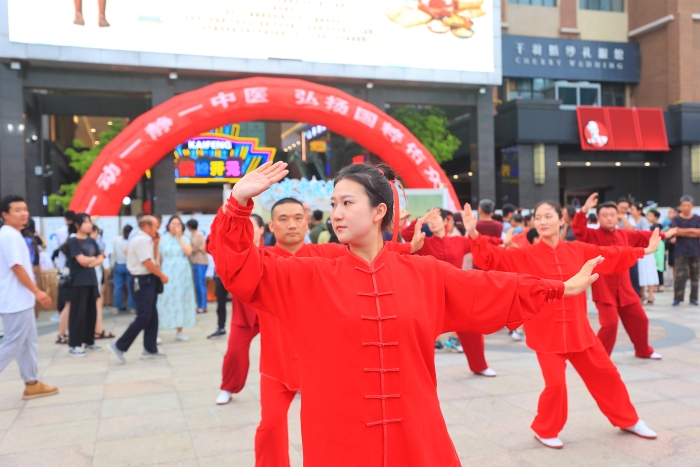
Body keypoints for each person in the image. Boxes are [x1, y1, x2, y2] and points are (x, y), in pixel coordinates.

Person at [210, 161, 599, 467]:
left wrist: (558, 287)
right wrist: (238, 204)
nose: (336, 214)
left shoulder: (424, 274)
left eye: (347, 203)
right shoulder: (308, 273)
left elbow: (488, 288)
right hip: (340, 433)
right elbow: (241, 268)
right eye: (332, 205)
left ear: (379, 210)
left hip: (414, 425)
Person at [212, 197, 415, 467]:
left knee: (335, 432)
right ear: (271, 226)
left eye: (297, 217)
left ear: (307, 221)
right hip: (277, 365)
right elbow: (224, 252)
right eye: (283, 219)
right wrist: (235, 203)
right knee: (270, 427)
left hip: (323, 366)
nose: (292, 224)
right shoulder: (261, 262)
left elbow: (373, 252)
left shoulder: (328, 254)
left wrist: (408, 244)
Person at [468, 200, 659, 449]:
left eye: (548, 216)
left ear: (561, 220)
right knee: (555, 386)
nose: (543, 221)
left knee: (608, 376)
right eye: (538, 217)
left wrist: (643, 251)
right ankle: (544, 429)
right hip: (546, 334)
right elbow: (494, 258)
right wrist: (474, 234)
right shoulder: (525, 254)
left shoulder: (578, 250)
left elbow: (610, 254)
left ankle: (629, 420)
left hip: (580, 332)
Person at [573, 193, 674, 358]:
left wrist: (664, 235)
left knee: (640, 320)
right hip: (604, 289)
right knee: (610, 324)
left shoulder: (624, 234)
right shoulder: (591, 236)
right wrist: (584, 209)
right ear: (598, 218)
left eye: (612, 215)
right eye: (604, 215)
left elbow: (643, 236)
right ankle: (600, 358)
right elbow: (578, 229)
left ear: (618, 216)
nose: (609, 218)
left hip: (626, 289)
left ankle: (643, 351)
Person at [403, 207, 499, 376]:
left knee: (472, 329)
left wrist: (503, 241)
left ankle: (479, 365)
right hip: (431, 295)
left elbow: (483, 242)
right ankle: (419, 373)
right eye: (430, 220)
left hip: (457, 293)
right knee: (424, 336)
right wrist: (423, 219)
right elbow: (407, 234)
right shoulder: (423, 242)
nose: (432, 223)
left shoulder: (458, 241)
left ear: (446, 221)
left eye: (436, 219)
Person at [0, 195, 57, 400]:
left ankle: (31, 383)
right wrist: (37, 291)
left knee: (28, 343)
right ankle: (31, 382)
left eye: (24, 209)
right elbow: (17, 267)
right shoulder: (9, 236)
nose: (23, 213)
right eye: (17, 210)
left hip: (20, 299)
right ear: (5, 214)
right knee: (12, 344)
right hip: (15, 300)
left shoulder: (15, 234)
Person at [109, 216, 169, 363]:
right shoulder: (141, 239)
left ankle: (150, 348)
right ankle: (119, 346)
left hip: (148, 280)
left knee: (152, 315)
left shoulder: (147, 239)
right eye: (155, 226)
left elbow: (153, 258)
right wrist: (162, 276)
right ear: (147, 227)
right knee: (143, 316)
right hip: (141, 280)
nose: (158, 229)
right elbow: (147, 262)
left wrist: (156, 244)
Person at [207, 214, 265, 340]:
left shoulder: (270, 254)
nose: (246, 231)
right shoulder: (234, 252)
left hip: (266, 316)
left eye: (250, 226)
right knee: (234, 356)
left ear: (262, 229)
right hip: (242, 318)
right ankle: (220, 326)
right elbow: (214, 245)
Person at [157, 216, 196, 341]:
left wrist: (179, 238)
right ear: (168, 225)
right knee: (163, 301)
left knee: (181, 300)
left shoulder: (185, 238)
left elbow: (189, 253)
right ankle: (157, 332)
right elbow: (158, 257)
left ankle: (179, 331)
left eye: (178, 224)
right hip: (167, 273)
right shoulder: (162, 239)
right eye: (173, 224)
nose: (175, 226)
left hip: (183, 275)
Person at [671, 195, 700, 306]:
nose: (686, 207)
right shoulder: (676, 219)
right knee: (680, 276)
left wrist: (685, 232)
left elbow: (699, 233)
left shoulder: (697, 218)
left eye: (688, 205)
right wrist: (693, 231)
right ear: (680, 206)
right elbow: (676, 232)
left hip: (695, 251)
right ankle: (677, 298)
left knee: (695, 276)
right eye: (684, 205)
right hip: (680, 251)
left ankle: (693, 298)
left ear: (692, 206)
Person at [90, 225, 114, 340]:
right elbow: (100, 256)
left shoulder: (92, 242)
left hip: (97, 272)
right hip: (93, 273)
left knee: (98, 301)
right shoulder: (88, 242)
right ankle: (97, 331)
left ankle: (97, 330)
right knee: (97, 302)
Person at [632, 203, 658, 305]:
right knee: (641, 273)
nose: (631, 211)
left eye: (633, 209)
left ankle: (651, 295)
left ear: (639, 211)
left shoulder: (643, 221)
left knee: (649, 272)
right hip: (637, 251)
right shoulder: (631, 220)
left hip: (646, 250)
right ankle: (642, 294)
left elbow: (646, 236)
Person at [53, 210, 75, 327]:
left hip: (63, 265)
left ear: (65, 219)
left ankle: (60, 311)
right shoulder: (75, 231)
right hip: (72, 265)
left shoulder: (59, 231)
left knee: (63, 290)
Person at [187, 219, 209, 314]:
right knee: (199, 285)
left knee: (200, 284)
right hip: (197, 261)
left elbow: (192, 248)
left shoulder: (197, 235)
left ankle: (202, 306)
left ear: (189, 227)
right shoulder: (196, 235)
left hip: (200, 262)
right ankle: (201, 305)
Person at [112, 224, 135, 312]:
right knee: (131, 287)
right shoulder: (132, 240)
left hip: (119, 264)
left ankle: (117, 306)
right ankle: (132, 306)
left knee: (118, 287)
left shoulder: (116, 239)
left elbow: (114, 252)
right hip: (130, 265)